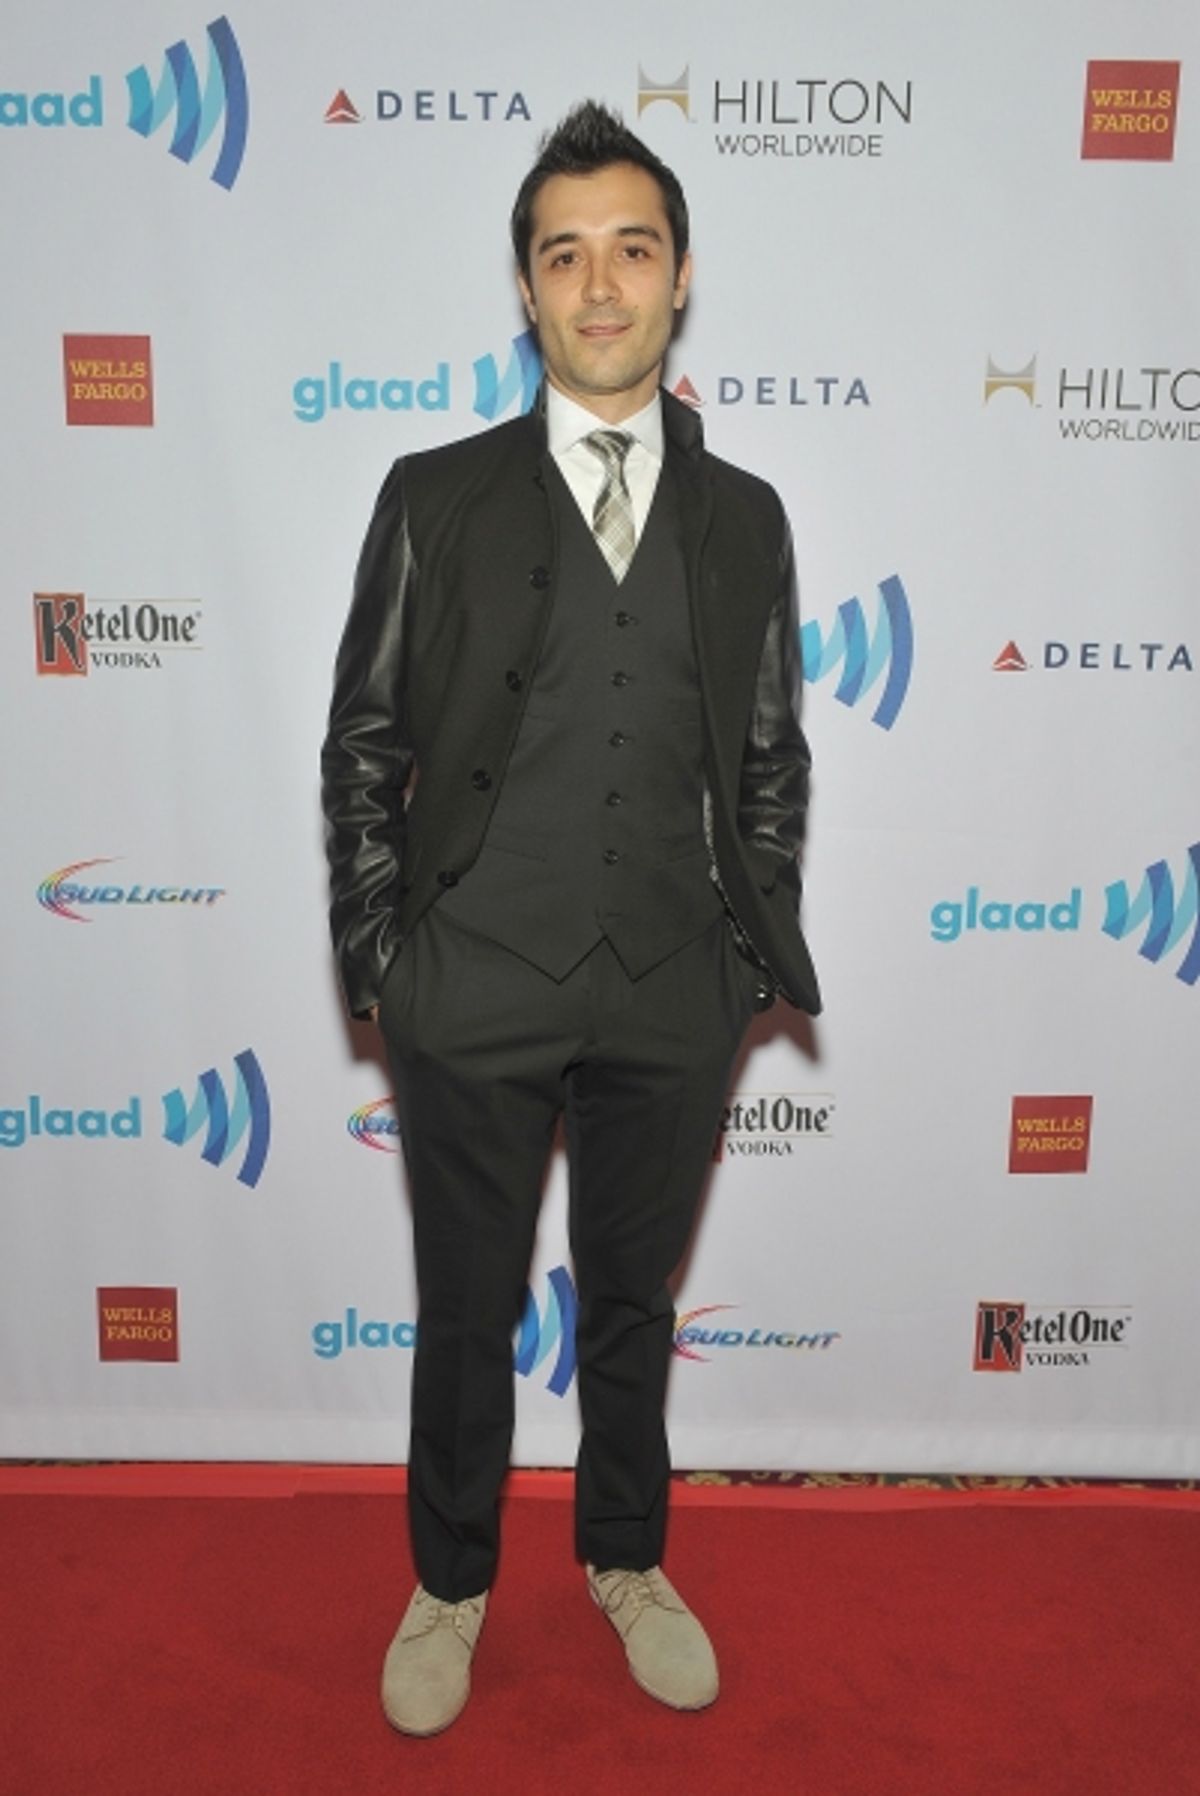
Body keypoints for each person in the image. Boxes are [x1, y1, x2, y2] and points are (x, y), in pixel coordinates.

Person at [321, 99, 820, 1737]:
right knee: (469, 1305)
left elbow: (768, 758)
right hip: (472, 984)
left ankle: (625, 1556)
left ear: (680, 281)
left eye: (632, 249)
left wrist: (748, 955)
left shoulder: (746, 516)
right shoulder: (432, 493)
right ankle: (449, 1580)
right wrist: (383, 962)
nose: (599, 285)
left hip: (673, 989)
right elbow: (367, 744)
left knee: (629, 1302)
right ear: (525, 290)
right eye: (564, 255)